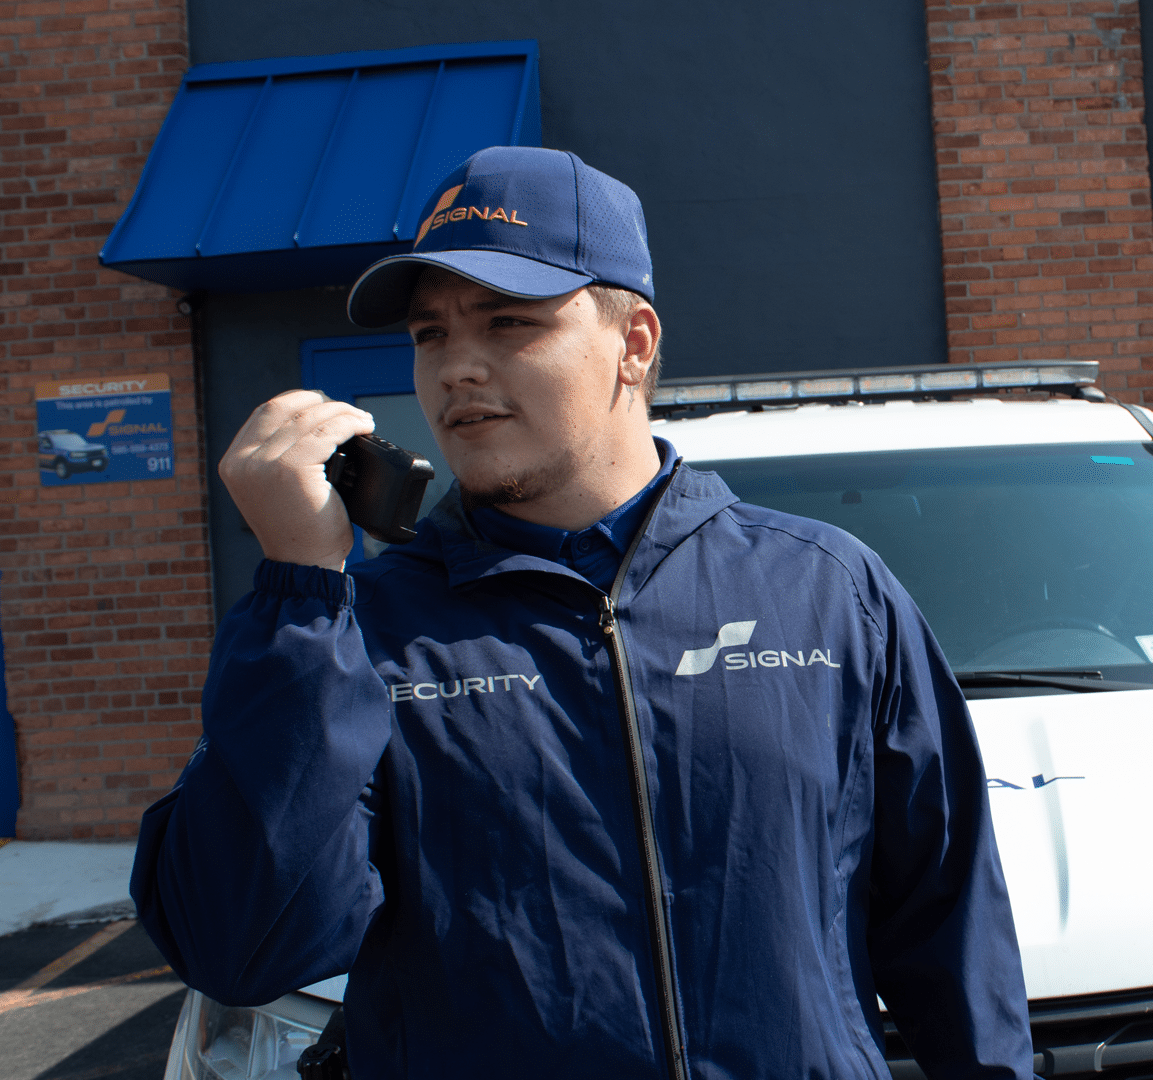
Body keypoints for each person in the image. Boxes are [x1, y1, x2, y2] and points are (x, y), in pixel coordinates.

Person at [129, 146, 1035, 1078]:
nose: (456, 368)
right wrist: (299, 589)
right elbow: (240, 949)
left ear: (633, 344)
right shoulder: (353, 633)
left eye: (508, 322)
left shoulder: (828, 592)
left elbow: (950, 922)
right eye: (431, 334)